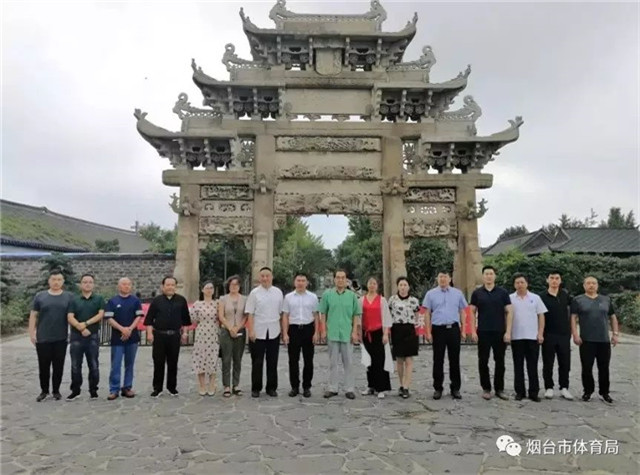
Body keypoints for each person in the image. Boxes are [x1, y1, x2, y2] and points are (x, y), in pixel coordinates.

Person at [571, 276, 619, 403]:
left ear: (597, 285)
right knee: (587, 367)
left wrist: (615, 334)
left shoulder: (606, 300)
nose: (591, 285)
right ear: (584, 285)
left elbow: (613, 317)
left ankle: (605, 392)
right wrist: (575, 334)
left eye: (593, 283)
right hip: (586, 340)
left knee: (604, 367)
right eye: (588, 283)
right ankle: (588, 391)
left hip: (603, 340)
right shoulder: (578, 300)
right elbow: (573, 318)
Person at [29, 269, 75, 402]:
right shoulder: (40, 296)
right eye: (54, 279)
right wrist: (31, 333)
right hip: (43, 337)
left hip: (61, 337)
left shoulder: (69, 297)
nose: (56, 282)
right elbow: (33, 315)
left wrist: (72, 332)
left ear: (63, 281)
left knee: (58, 366)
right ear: (49, 281)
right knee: (43, 366)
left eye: (59, 280)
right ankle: (44, 391)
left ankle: (56, 390)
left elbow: (71, 316)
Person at [469, 266, 513, 401]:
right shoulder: (477, 293)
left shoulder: (503, 293)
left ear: (495, 276)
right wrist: (473, 330)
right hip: (483, 331)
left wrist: (508, 331)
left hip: (499, 331)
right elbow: (472, 312)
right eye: (486, 274)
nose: (489, 276)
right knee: (483, 360)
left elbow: (509, 312)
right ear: (483, 276)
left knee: (500, 361)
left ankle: (499, 388)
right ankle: (486, 388)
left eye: (491, 274)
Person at [423, 270, 468, 400]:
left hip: (453, 329)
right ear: (437, 279)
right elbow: (427, 313)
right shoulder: (430, 294)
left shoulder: (457, 293)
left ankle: (455, 388)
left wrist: (463, 330)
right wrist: (428, 331)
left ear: (450, 278)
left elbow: (462, 312)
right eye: (440, 277)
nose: (443, 279)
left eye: (445, 277)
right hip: (438, 329)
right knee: (438, 359)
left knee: (455, 359)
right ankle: (438, 388)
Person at [144, 276, 192, 397]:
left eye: (172, 285)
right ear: (163, 286)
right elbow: (149, 319)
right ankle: (157, 388)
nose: (170, 287)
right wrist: (149, 333)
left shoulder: (181, 300)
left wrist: (185, 333)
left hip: (174, 336)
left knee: (173, 362)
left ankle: (172, 387)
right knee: (158, 362)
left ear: (175, 287)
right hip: (159, 335)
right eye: (168, 285)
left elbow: (186, 320)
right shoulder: (157, 301)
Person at [318, 269, 362, 400]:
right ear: (334, 279)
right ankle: (333, 387)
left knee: (348, 362)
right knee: (333, 362)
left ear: (346, 280)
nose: (340, 280)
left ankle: (349, 388)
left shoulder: (352, 296)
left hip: (347, 333)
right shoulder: (327, 295)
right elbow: (323, 313)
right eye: (338, 277)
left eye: (343, 277)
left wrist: (354, 332)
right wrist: (323, 330)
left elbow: (356, 315)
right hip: (332, 332)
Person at [246, 267, 284, 398]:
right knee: (257, 361)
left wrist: (283, 331)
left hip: (274, 330)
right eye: (262, 276)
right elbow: (250, 313)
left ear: (272, 277)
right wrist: (251, 330)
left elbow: (281, 313)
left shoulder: (278, 292)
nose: (265, 278)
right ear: (259, 277)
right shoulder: (254, 293)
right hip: (258, 331)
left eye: (267, 276)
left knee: (272, 361)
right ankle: (256, 388)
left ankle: (271, 387)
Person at [104, 277, 144, 400]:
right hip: (117, 338)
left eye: (128, 284)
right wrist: (122, 329)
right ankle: (114, 389)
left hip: (132, 338)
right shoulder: (112, 301)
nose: (126, 286)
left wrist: (129, 329)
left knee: (129, 364)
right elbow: (109, 318)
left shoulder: (135, 301)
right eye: (124, 284)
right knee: (115, 364)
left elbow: (138, 317)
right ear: (119, 286)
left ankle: (127, 387)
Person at [66, 273, 104, 400]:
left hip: (92, 336)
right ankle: (75, 390)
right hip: (76, 336)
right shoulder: (74, 300)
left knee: (93, 364)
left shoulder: (99, 299)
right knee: (75, 365)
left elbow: (100, 314)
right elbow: (70, 316)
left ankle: (93, 390)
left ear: (93, 284)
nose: (87, 284)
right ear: (80, 284)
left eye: (90, 282)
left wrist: (86, 324)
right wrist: (80, 327)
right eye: (85, 282)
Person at [282, 272, 320, 398]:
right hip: (293, 329)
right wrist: (285, 333)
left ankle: (306, 387)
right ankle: (294, 387)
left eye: (303, 281)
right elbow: (285, 316)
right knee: (293, 360)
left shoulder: (313, 297)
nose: (300, 283)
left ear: (307, 283)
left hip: (308, 329)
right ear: (294, 282)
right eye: (298, 280)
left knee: (308, 360)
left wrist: (316, 332)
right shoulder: (288, 297)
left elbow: (316, 315)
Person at [509, 273, 546, 402]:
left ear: (527, 283)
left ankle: (534, 392)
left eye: (522, 282)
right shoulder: (510, 298)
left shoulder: (535, 298)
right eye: (517, 283)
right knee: (518, 366)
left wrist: (540, 333)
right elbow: (506, 316)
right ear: (514, 284)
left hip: (532, 337)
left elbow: (541, 316)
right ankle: (520, 392)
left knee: (532, 366)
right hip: (516, 336)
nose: (520, 285)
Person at [540, 271, 574, 400]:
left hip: (564, 334)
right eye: (552, 278)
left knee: (565, 362)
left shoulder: (566, 295)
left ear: (560, 280)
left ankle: (564, 387)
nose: (554, 280)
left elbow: (572, 314)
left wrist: (572, 331)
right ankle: (549, 387)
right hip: (548, 334)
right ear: (547, 280)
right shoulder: (541, 296)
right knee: (548, 362)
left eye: (557, 278)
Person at [388, 277, 421, 399]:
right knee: (399, 359)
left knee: (409, 359)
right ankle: (401, 384)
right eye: (401, 285)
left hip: (409, 329)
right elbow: (388, 314)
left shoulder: (414, 301)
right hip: (397, 329)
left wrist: (415, 327)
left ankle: (407, 386)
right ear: (397, 286)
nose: (403, 287)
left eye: (405, 285)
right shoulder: (392, 300)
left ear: (408, 287)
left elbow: (417, 315)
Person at [359, 277, 392, 399]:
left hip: (378, 333)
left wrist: (385, 333)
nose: (372, 285)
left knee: (379, 360)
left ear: (377, 286)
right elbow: (359, 318)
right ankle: (371, 385)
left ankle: (381, 387)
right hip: (366, 333)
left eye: (374, 283)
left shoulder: (382, 300)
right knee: (368, 361)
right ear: (367, 285)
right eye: (370, 283)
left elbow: (386, 317)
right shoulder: (361, 300)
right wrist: (359, 333)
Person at [218, 275, 247, 397]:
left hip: (240, 330)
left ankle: (236, 384)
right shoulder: (223, 299)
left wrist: (237, 327)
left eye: (236, 284)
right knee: (226, 359)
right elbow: (221, 316)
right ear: (228, 286)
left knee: (237, 359)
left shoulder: (245, 299)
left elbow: (246, 316)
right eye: (231, 284)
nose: (234, 286)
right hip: (226, 331)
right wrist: (230, 328)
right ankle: (226, 386)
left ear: (239, 286)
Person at [191, 281, 219, 396]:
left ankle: (212, 384)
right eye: (207, 288)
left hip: (213, 333)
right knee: (200, 358)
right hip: (201, 333)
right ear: (202, 290)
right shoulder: (197, 304)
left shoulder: (217, 303)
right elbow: (193, 318)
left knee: (213, 358)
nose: (209, 290)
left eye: (211, 288)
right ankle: (202, 385)